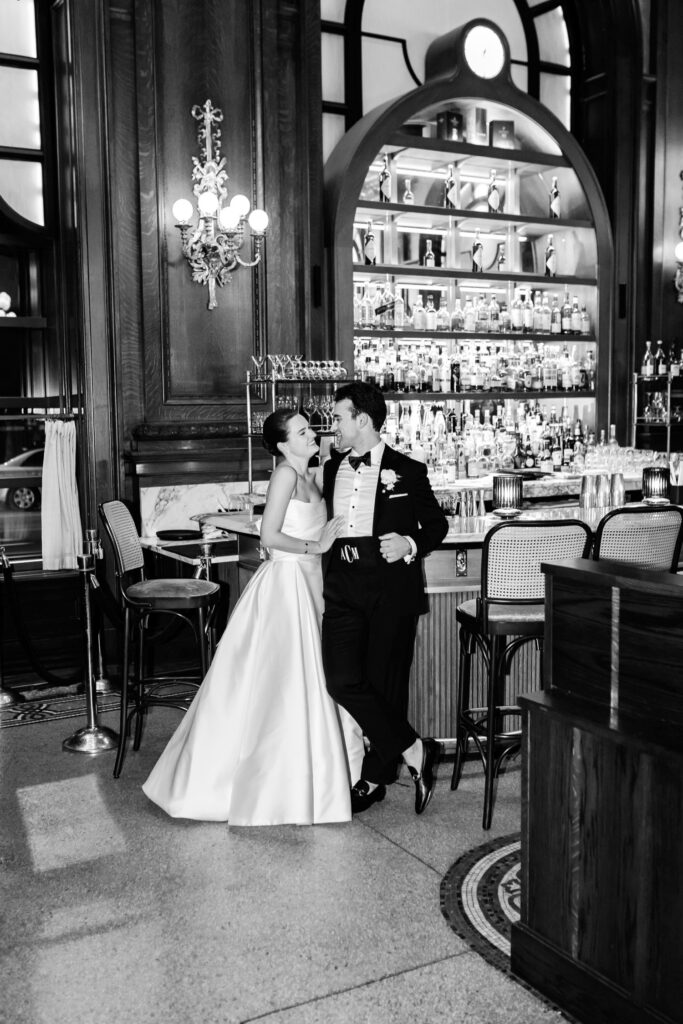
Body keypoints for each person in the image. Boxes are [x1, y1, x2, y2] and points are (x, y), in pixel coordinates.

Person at [142, 407, 363, 825]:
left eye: (309, 429)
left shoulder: (310, 476)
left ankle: (317, 774)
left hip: (313, 584)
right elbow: (269, 536)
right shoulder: (284, 476)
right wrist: (315, 548)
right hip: (288, 585)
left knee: (313, 676)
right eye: (302, 431)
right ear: (282, 444)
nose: (311, 434)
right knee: (285, 684)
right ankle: (279, 783)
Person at [321, 381, 449, 815]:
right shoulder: (330, 467)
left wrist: (410, 544)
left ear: (363, 420)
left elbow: (436, 526)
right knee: (340, 679)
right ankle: (416, 749)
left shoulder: (407, 470)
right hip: (342, 584)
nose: (333, 424)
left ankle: (374, 778)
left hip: (391, 589)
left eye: (339, 416)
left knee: (385, 685)